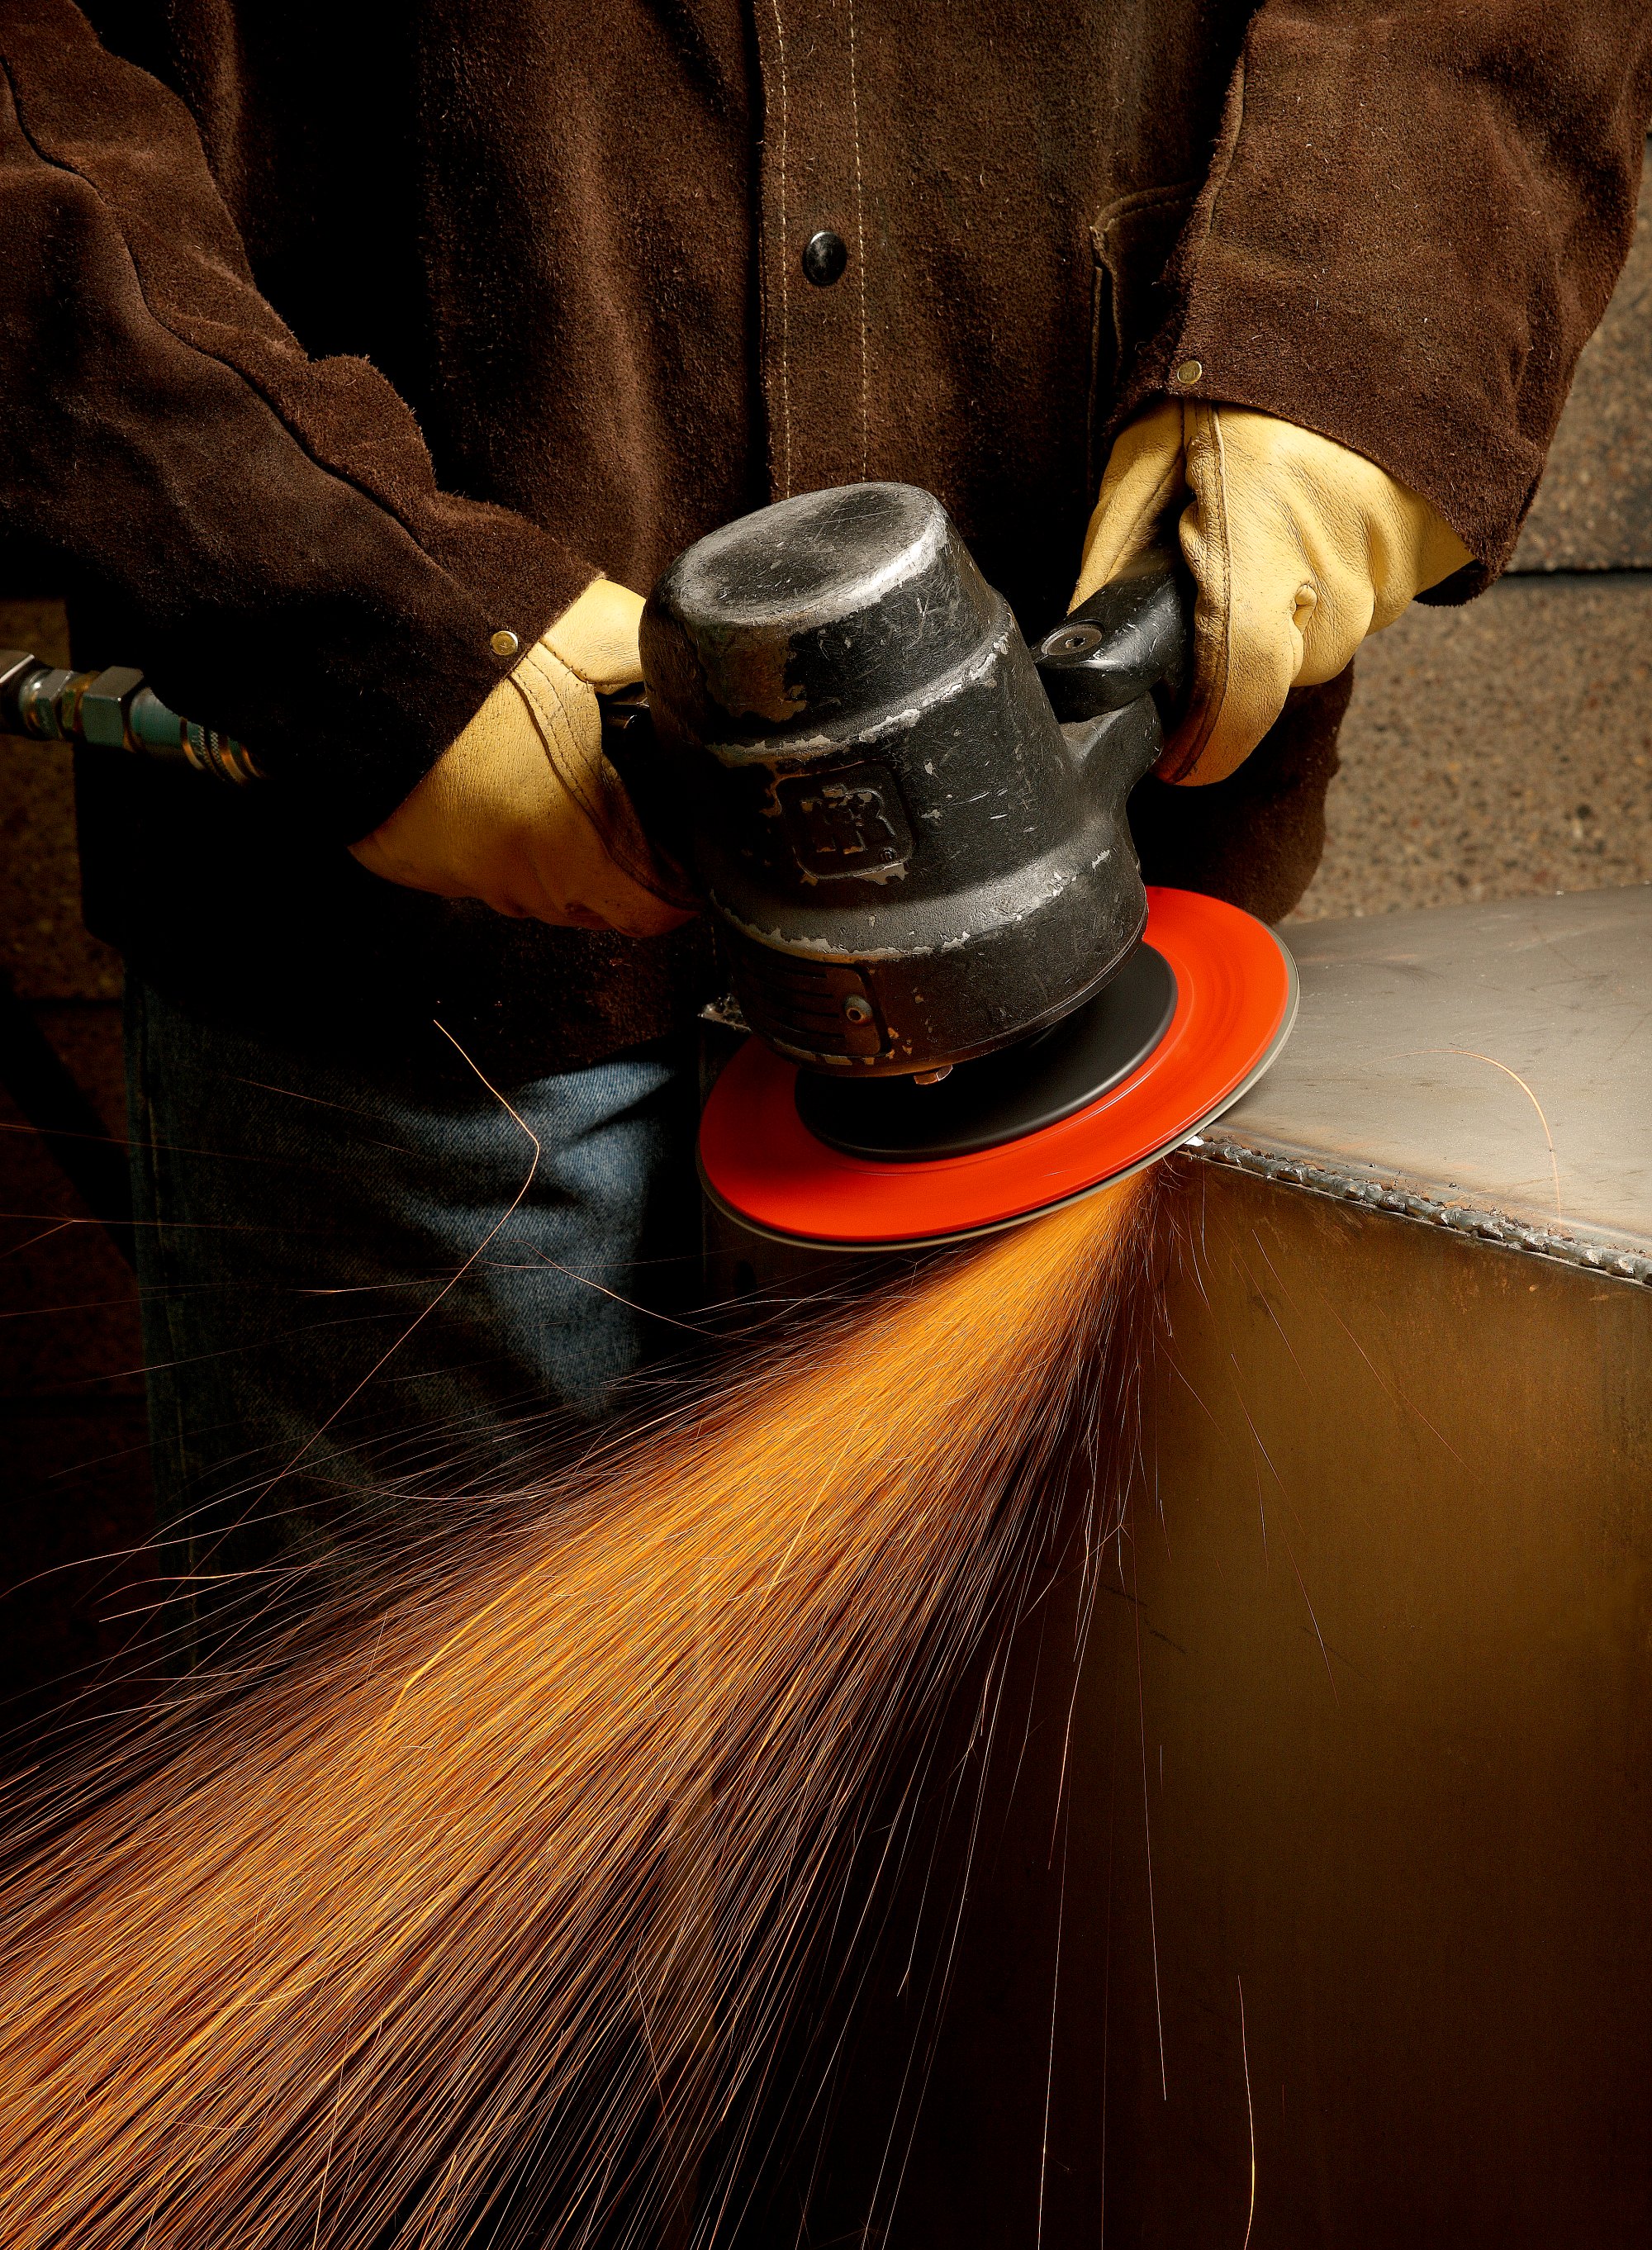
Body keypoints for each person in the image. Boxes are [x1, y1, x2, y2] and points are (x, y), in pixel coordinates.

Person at [1, 0, 1648, 1617]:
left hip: (1102, 993)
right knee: (391, 1821)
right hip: (402, 977)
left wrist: (1359, 323)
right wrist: (319, 572)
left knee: (1071, 1832)